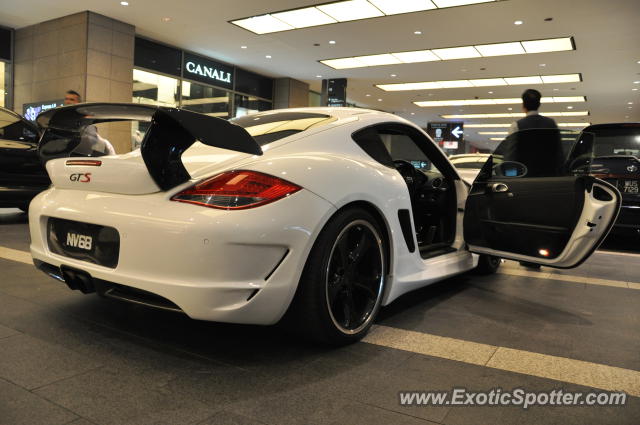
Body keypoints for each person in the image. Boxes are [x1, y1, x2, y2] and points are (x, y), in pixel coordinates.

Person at [62, 89, 116, 156]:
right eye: (66, 99)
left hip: (82, 153)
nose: (68, 101)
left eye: (71, 99)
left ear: (78, 103)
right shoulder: (59, 117)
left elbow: (92, 140)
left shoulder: (86, 118)